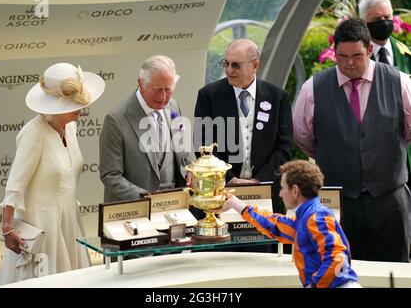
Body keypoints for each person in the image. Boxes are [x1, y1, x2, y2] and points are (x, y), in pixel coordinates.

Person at [293, 18, 411, 262]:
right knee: (339, 268)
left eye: (356, 56)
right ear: (334, 51)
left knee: (395, 271)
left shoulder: (401, 82)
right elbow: (303, 137)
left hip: (390, 199)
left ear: (370, 50)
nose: (348, 63)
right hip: (338, 201)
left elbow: (408, 132)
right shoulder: (312, 89)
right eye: (342, 56)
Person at [0, 62, 105, 285]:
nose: (81, 109)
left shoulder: (71, 128)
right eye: (74, 104)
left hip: (70, 223)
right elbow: (15, 186)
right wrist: (7, 229)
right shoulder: (33, 133)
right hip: (42, 227)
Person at [215, 160, 360, 288]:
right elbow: (274, 225)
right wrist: (235, 203)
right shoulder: (306, 217)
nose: (280, 194)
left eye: (283, 188)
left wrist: (314, 286)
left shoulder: (317, 217)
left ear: (295, 190)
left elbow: (337, 258)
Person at [194, 39, 293, 214]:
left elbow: (284, 147)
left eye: (236, 65)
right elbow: (203, 146)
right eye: (226, 63)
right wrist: (230, 179)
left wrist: (259, 180)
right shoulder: (209, 96)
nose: (228, 70)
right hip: (220, 193)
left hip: (265, 194)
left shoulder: (278, 97)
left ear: (255, 65)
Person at [99, 55, 194, 202]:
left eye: (168, 90)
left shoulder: (173, 106)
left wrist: (191, 169)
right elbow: (111, 176)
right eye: (157, 90)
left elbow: (184, 151)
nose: (163, 97)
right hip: (134, 211)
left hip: (175, 207)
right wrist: (148, 200)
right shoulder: (116, 119)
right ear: (141, 83)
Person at [359, 0, 411, 195]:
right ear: (364, 23)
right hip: (371, 151)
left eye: (387, 17)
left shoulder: (406, 53)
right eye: (376, 20)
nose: (383, 23)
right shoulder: (353, 58)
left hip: (405, 149)